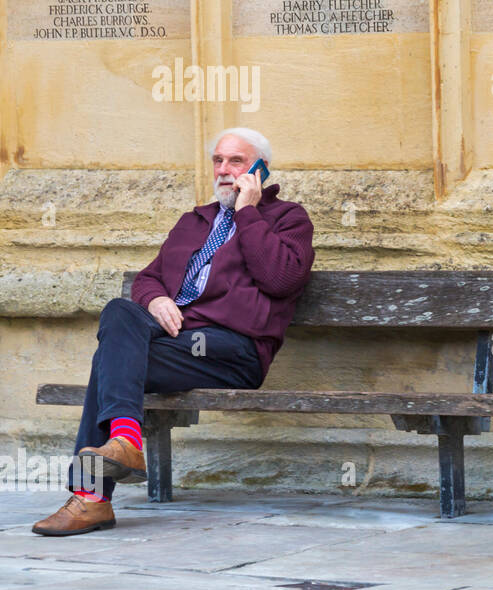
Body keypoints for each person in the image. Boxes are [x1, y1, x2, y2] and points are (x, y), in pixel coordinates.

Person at [33, 128, 315, 536]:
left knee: (107, 365)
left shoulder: (287, 218)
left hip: (232, 352)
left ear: (260, 170)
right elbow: (147, 278)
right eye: (218, 160)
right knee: (119, 313)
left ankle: (91, 499)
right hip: (175, 343)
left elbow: (281, 279)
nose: (223, 170)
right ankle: (126, 442)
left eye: (236, 161)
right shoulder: (193, 221)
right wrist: (157, 301)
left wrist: (248, 212)